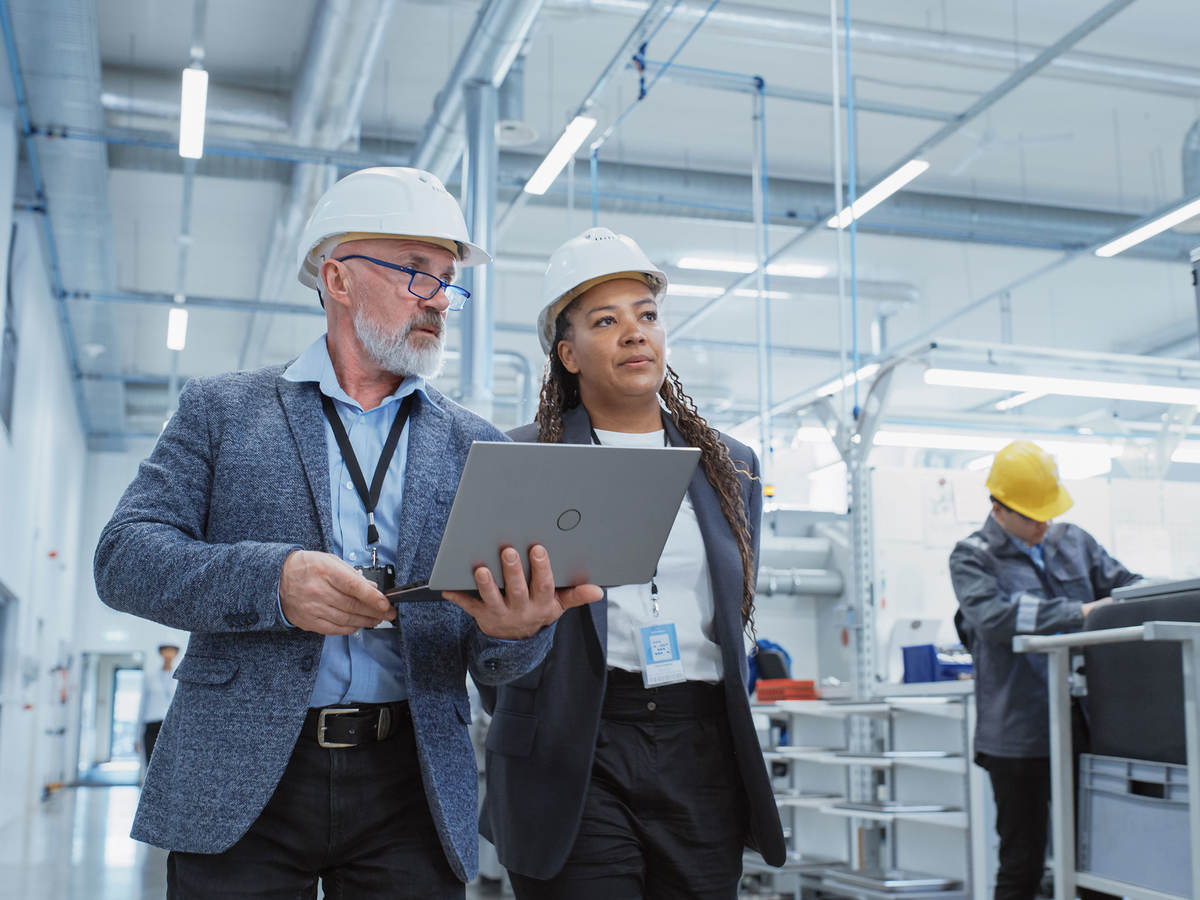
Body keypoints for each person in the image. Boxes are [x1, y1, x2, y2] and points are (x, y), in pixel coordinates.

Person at [94, 167, 600, 899]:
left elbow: (495, 666)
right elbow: (124, 557)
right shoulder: (223, 410)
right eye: (414, 273)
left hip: (412, 781)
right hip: (242, 773)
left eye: (448, 282)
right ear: (336, 278)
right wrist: (273, 583)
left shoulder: (477, 446)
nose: (438, 300)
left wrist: (517, 631)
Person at [479, 227, 786, 900]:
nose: (634, 333)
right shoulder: (521, 459)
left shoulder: (731, 465)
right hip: (573, 748)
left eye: (646, 315)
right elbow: (487, 628)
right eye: (606, 321)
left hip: (699, 745)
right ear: (567, 354)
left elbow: (734, 610)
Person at [950, 440, 1139, 900]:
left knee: (1101, 859)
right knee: (1022, 863)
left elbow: (1127, 588)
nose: (1043, 524)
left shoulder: (1074, 541)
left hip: (1086, 726)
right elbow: (995, 618)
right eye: (1032, 516)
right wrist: (1082, 613)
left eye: (1047, 513)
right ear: (999, 509)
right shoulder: (972, 556)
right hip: (1018, 735)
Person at [136, 643, 179, 766]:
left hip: (171, 726)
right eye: (166, 650)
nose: (168, 654)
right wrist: (136, 736)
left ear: (176, 654)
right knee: (150, 764)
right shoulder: (150, 677)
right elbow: (142, 705)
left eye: (171, 651)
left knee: (169, 765)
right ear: (161, 653)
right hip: (151, 726)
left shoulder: (179, 678)